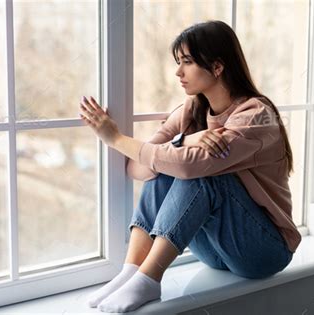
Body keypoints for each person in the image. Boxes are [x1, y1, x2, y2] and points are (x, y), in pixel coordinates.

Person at [78, 19, 301, 313]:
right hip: (216, 252)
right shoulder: (191, 110)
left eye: (187, 62)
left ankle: (149, 279)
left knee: (204, 175)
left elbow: (188, 169)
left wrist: (115, 138)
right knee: (161, 172)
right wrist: (187, 139)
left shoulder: (256, 115)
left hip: (264, 251)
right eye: (178, 62)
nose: (177, 72)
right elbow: (138, 169)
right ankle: (132, 271)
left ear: (217, 67)